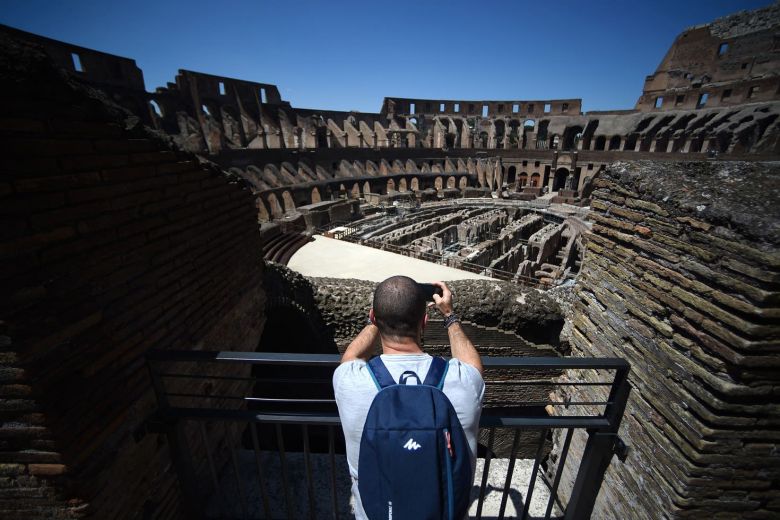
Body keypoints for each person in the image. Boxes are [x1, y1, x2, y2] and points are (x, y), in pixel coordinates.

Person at [333, 276, 485, 519]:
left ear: (374, 317)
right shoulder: (462, 380)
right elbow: (473, 363)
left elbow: (351, 356)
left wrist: (376, 320)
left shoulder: (349, 381)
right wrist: (449, 316)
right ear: (424, 321)